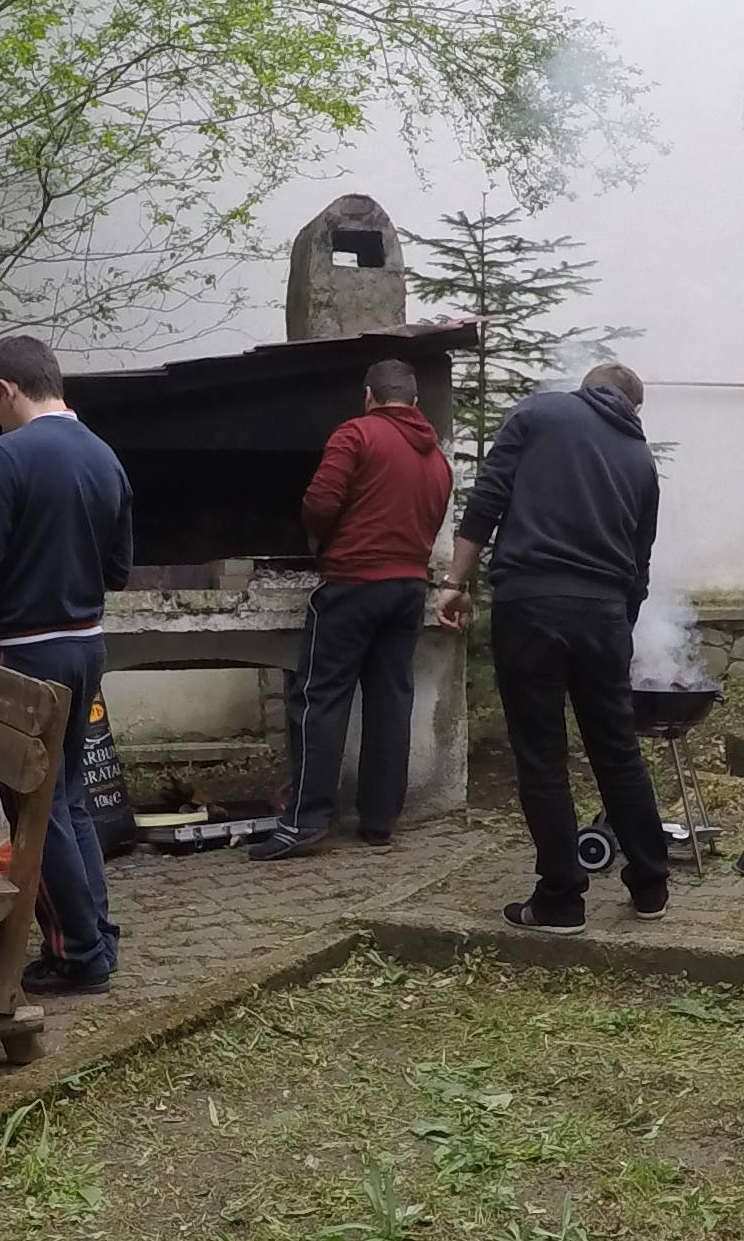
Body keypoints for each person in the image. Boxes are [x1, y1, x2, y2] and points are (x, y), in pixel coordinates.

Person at [442, 361, 665, 934]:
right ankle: (650, 886)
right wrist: (619, 627)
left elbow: (488, 499)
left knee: (543, 755)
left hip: (532, 605)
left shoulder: (540, 412)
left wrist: (455, 582)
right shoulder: (640, 458)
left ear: (586, 389)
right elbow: (639, 563)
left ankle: (562, 901)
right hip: (604, 616)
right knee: (618, 751)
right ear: (633, 408)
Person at [0, 332, 133, 995]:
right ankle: (96, 936)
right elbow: (119, 570)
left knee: (33, 807)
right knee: (68, 797)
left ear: (6, 390)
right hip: (86, 645)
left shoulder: (7, 457)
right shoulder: (106, 456)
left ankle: (78, 953)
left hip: (24, 651)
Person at [250, 357, 451, 861]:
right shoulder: (436, 458)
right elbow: (431, 518)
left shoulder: (356, 435)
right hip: (409, 589)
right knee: (390, 702)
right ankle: (380, 821)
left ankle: (306, 822)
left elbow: (319, 503)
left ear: (368, 396)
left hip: (353, 585)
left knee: (319, 698)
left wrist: (322, 541)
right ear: (414, 401)